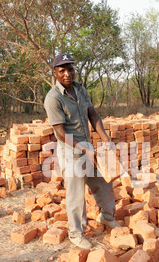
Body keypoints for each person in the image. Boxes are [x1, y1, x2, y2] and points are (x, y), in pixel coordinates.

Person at [44, 53, 120, 249]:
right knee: (76, 194)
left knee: (103, 183)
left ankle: (106, 217)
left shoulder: (80, 89)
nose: (68, 74)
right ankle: (76, 233)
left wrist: (106, 140)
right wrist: (83, 150)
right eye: (62, 71)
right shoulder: (53, 98)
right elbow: (60, 133)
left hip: (88, 148)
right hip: (71, 151)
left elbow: (93, 115)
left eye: (70, 69)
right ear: (55, 73)